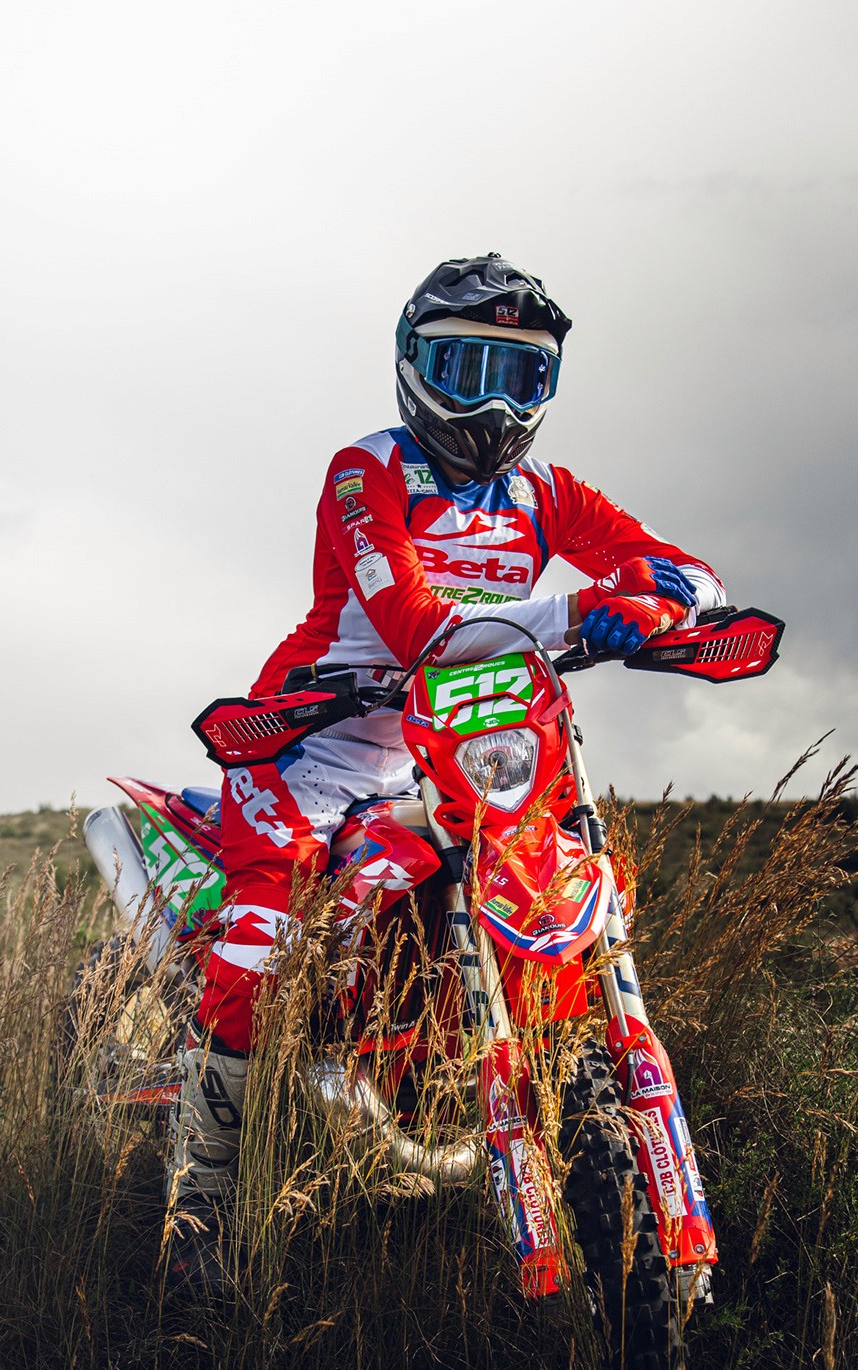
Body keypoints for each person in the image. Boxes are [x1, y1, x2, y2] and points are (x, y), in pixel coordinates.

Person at [164, 253, 726, 1291]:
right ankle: (199, 1211)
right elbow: (411, 617)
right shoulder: (363, 471)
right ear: (414, 366)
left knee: (547, 884)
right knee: (260, 943)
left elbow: (687, 569)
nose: (497, 401)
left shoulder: (548, 493)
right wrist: (586, 614)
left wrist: (662, 601)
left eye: (524, 373)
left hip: (460, 748)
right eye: (467, 368)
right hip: (318, 748)